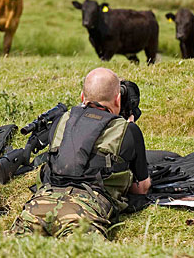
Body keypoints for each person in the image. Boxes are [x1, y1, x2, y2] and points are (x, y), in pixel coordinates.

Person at [10, 67, 150, 238]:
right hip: (83, 213)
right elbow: (141, 188)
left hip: (39, 205)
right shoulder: (127, 130)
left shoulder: (62, 120)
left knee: (8, 247)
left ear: (82, 97)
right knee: (83, 249)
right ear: (118, 99)